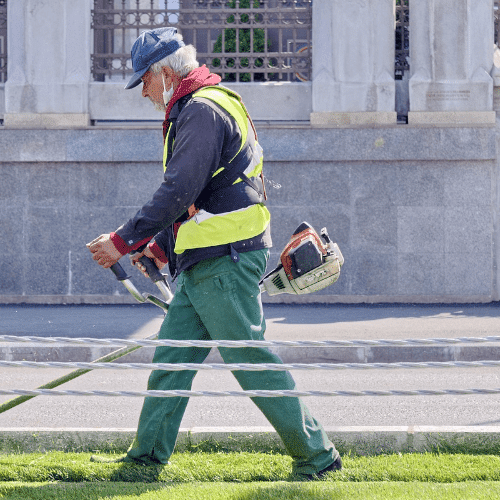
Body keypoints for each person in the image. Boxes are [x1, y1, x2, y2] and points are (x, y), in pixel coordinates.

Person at [87, 27, 341, 480]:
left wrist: (122, 241)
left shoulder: (200, 110)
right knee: (171, 363)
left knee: (250, 360)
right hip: (212, 257)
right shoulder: (212, 102)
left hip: (224, 260)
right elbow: (208, 190)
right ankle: (144, 463)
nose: (142, 91)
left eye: (143, 80)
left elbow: (180, 187)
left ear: (165, 72)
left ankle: (318, 456)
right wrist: (164, 248)